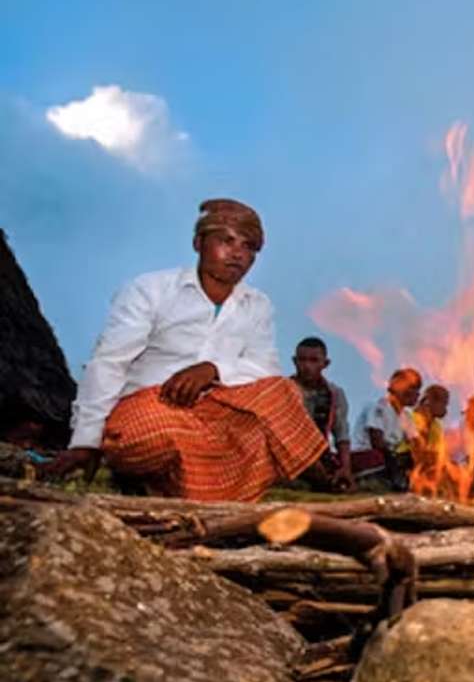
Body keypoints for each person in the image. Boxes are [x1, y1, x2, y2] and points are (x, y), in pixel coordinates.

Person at [44, 200, 326, 501]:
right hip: (151, 408)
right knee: (156, 432)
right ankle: (165, 478)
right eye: (227, 241)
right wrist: (85, 440)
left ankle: (178, 486)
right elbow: (109, 363)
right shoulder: (150, 290)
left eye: (249, 247)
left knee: (285, 393)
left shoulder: (257, 305)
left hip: (216, 415)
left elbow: (265, 367)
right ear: (198, 243)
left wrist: (212, 370)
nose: (238, 254)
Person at [292, 336, 354, 490]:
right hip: (290, 455)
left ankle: (335, 478)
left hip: (322, 455)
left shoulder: (335, 393)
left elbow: (341, 435)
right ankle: (327, 482)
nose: (306, 366)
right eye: (302, 360)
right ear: (295, 361)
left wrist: (346, 468)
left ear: (325, 364)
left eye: (313, 361)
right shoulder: (284, 390)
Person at [352, 368, 422, 490]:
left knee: (411, 459)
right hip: (366, 456)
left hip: (389, 458)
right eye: (411, 388)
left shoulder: (406, 416)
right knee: (382, 457)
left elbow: (417, 443)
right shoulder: (377, 407)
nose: (416, 393)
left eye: (417, 389)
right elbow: (377, 442)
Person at [410, 384, 450, 489]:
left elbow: (438, 453)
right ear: (429, 401)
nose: (446, 409)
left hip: (428, 468)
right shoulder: (412, 418)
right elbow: (416, 450)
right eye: (444, 404)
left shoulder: (437, 426)